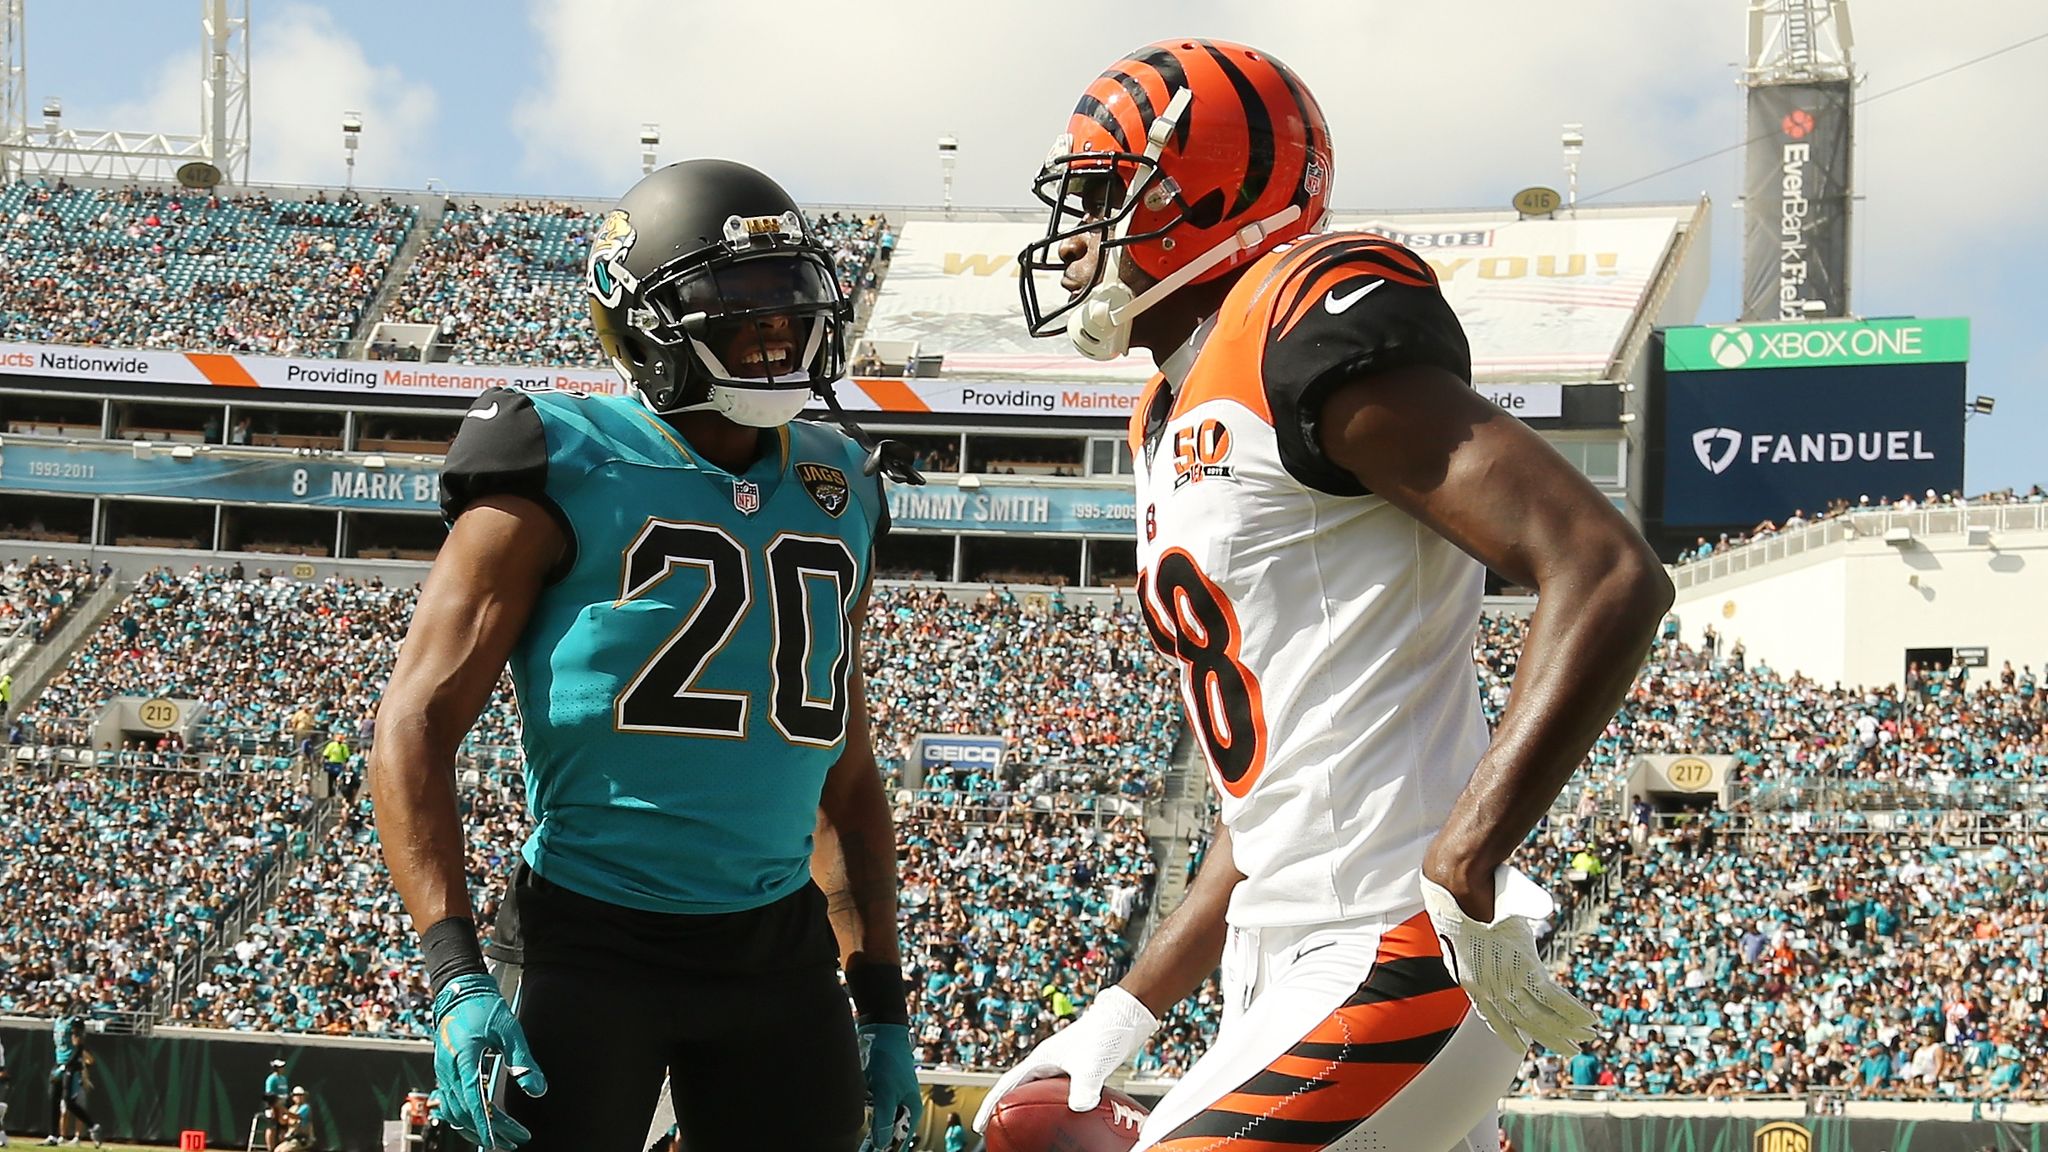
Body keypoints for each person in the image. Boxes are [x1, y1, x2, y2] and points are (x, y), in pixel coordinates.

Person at [979, 39, 1671, 1152]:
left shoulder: (1299, 319)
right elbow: (1266, 807)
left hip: (1389, 942)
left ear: (1199, 191)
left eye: (1104, 194)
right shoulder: (1166, 415)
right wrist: (1126, 1008)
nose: (1077, 230)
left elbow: (1602, 566)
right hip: (1281, 960)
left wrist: (1466, 855)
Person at [372, 159, 924, 1152]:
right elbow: (414, 721)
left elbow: (841, 773)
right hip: (585, 940)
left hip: (776, 953)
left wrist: (880, 1000)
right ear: (645, 320)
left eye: (788, 302)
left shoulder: (843, 482)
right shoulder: (557, 455)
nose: (776, 329)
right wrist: (454, 970)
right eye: (741, 305)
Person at [43, 1014, 101, 1149]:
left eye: (63, 1004)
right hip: (60, 1063)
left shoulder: (74, 1022)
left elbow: (79, 1046)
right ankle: (53, 1135)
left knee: (68, 1101)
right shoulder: (58, 1021)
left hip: (72, 1065)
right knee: (53, 1099)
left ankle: (92, 1126)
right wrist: (60, 1065)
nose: (60, 1007)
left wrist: (67, 1065)